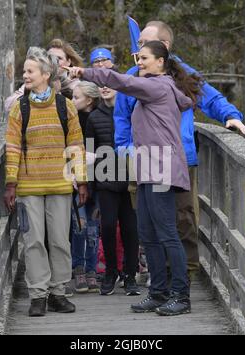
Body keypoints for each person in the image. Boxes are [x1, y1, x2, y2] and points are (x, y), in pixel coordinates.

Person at [69, 40, 203, 315]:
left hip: (162, 169)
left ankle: (181, 295)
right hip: (146, 170)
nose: (138, 63)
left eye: (143, 58)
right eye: (137, 58)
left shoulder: (159, 86)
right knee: (148, 233)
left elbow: (119, 81)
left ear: (160, 62)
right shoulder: (154, 88)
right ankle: (158, 292)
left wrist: (84, 73)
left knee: (166, 233)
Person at [113, 21, 245, 276]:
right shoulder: (132, 76)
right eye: (139, 43)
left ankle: (186, 274)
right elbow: (121, 117)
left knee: (183, 217)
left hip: (179, 157)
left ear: (163, 46)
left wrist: (230, 115)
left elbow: (209, 97)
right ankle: (159, 276)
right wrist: (124, 149)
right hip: (143, 159)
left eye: (143, 44)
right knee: (148, 220)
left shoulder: (183, 75)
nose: (137, 48)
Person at [4, 47, 88, 317]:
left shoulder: (66, 106)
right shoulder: (20, 108)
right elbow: (13, 147)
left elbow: (76, 143)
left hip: (60, 186)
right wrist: (11, 184)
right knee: (34, 241)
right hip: (29, 188)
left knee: (61, 241)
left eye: (30, 71)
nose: (25, 75)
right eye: (25, 71)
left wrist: (82, 180)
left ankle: (58, 293)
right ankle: (38, 295)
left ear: (45, 74)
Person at [82, 77, 140, 297]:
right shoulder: (94, 118)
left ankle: (131, 274)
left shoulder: (132, 114)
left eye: (110, 84)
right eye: (101, 85)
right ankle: (110, 272)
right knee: (106, 226)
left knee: (130, 229)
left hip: (131, 179)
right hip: (105, 180)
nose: (105, 88)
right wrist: (88, 183)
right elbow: (88, 152)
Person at [71, 81, 101, 293]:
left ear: (89, 100)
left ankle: (92, 270)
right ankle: (78, 268)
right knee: (79, 226)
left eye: (76, 98)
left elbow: (105, 147)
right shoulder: (71, 120)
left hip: (98, 179)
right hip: (76, 179)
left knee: (93, 226)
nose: (72, 102)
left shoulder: (99, 119)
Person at [5, 39, 83, 112]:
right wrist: (34, 94)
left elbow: (76, 108)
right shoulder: (37, 80)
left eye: (58, 58)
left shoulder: (75, 84)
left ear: (68, 62)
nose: (53, 61)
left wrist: (64, 84)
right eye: (50, 57)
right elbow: (8, 105)